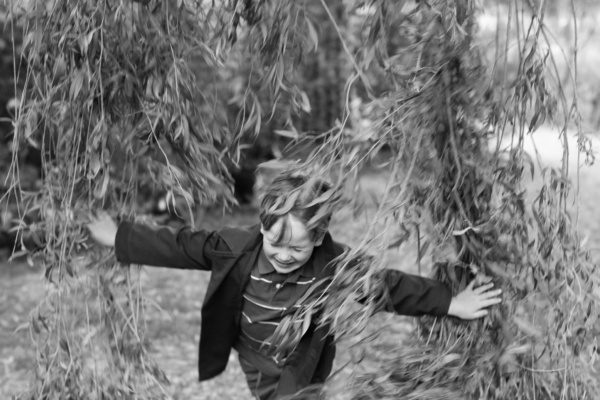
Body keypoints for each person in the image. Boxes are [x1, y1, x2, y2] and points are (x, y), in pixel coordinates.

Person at [87, 170, 502, 400]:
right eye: (275, 243)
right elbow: (178, 246)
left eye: (297, 249)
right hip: (251, 355)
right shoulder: (232, 247)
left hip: (300, 363)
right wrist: (120, 236)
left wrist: (450, 302)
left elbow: (387, 286)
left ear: (319, 238)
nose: (283, 255)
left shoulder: (332, 263)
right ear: (262, 227)